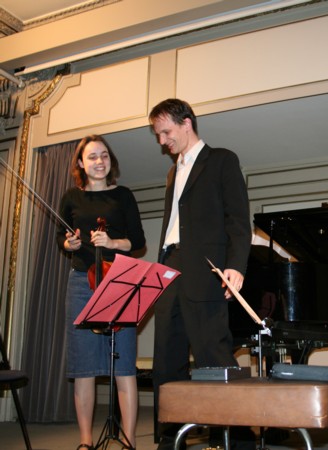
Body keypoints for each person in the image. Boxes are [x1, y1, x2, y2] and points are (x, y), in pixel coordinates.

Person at [148, 98, 252, 449]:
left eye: (166, 132)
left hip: (206, 271)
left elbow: (238, 219)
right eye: (157, 135)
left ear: (186, 123)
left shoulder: (222, 160)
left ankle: (237, 443)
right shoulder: (172, 171)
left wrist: (236, 265)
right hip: (168, 270)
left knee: (214, 359)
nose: (162, 141)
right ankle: (169, 441)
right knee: (165, 361)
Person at [57, 134, 146, 450]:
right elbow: (62, 239)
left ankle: (129, 440)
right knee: (84, 368)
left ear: (110, 160)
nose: (99, 161)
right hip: (82, 281)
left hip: (118, 280)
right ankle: (84, 441)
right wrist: (71, 244)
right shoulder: (71, 197)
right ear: (81, 162)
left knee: (123, 367)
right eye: (92, 156)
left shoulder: (123, 195)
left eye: (104, 155)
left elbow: (137, 241)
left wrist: (112, 243)